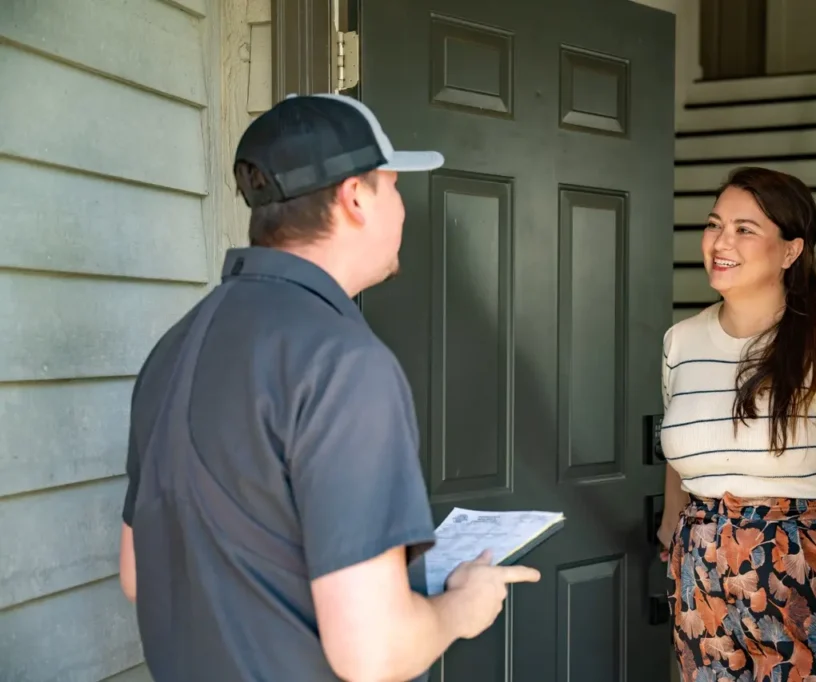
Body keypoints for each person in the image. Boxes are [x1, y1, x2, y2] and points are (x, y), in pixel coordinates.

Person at [117, 93, 540, 682]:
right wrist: (461, 607)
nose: (404, 208)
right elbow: (373, 654)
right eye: (393, 185)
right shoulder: (344, 363)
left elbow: (139, 575)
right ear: (356, 197)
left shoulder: (173, 350)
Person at [656, 167, 816, 681]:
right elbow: (682, 451)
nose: (721, 241)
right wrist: (672, 529)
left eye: (745, 229)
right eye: (715, 225)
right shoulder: (681, 342)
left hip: (805, 569)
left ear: (790, 251)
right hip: (703, 568)